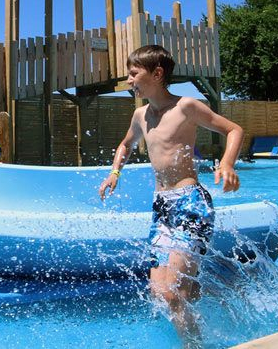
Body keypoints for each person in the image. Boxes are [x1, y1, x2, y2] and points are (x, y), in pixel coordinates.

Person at [98, 45, 243, 346]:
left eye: (133, 73)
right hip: (162, 208)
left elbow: (233, 130)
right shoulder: (140, 115)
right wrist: (115, 173)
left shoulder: (186, 107)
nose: (129, 80)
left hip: (190, 202)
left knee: (171, 291)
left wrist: (227, 163)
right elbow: (125, 145)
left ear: (157, 74)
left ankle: (195, 345)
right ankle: (215, 302)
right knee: (158, 292)